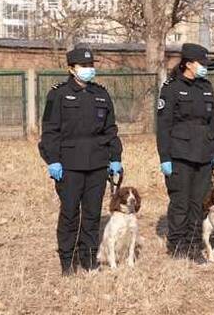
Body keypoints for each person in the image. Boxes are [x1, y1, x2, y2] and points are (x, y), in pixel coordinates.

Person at [38, 45, 123, 275]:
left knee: (93, 214)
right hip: (69, 166)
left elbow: (110, 130)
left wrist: (115, 157)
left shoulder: (101, 94)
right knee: (69, 214)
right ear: (71, 69)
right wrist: (53, 160)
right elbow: (50, 131)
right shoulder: (58, 94)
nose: (89, 69)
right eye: (83, 66)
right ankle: (67, 260)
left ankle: (88, 259)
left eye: (91, 65)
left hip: (97, 164)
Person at [156, 43, 214, 259]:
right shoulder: (171, 87)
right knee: (181, 203)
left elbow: (213, 122)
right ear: (187, 64)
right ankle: (177, 246)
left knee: (200, 203)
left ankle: (195, 244)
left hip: (204, 153)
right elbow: (163, 126)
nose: (204, 67)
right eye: (201, 63)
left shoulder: (206, 87)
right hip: (180, 154)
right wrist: (165, 157)